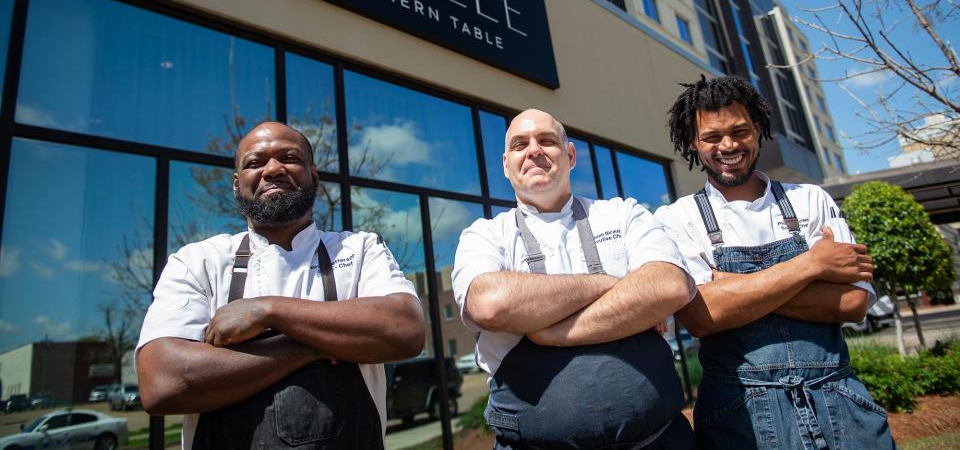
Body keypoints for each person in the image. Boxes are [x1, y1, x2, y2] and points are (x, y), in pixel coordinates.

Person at [136, 121, 425, 449]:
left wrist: (268, 311)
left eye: (289, 158)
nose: (273, 169)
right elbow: (163, 383)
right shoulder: (197, 262)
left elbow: (404, 330)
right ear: (236, 184)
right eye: (255, 163)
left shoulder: (359, 249)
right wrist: (316, 346)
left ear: (313, 176)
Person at [655, 76, 895, 448]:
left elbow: (853, 303)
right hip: (740, 416)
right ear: (692, 143)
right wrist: (812, 266)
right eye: (712, 137)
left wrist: (733, 286)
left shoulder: (811, 199)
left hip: (839, 403)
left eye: (740, 131)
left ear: (759, 131)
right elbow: (702, 317)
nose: (729, 145)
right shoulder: (676, 218)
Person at [452, 108, 696, 449]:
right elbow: (489, 303)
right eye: (520, 144)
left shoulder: (622, 213)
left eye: (546, 141)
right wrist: (615, 284)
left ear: (569, 155)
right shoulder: (485, 235)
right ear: (506, 165)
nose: (534, 150)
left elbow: (669, 285)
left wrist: (549, 331)